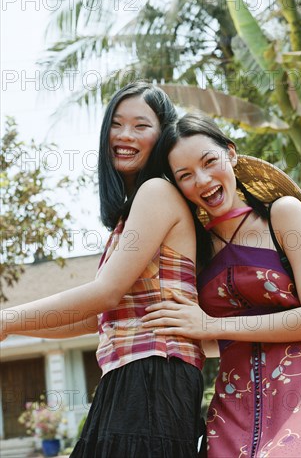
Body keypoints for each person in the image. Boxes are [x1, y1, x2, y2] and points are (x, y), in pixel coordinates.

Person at [141, 113, 301, 458]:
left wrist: (211, 325)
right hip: (231, 411)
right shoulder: (195, 251)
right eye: (185, 176)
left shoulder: (282, 215)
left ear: (230, 154)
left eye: (209, 161)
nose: (202, 180)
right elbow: (214, 342)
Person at [0, 83, 205, 457]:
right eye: (116, 123)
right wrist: (11, 326)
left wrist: (6, 317)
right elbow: (98, 316)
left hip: (154, 375)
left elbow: (105, 293)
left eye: (141, 125)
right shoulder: (131, 215)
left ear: (163, 136)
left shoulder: (157, 192)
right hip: (133, 375)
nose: (125, 135)